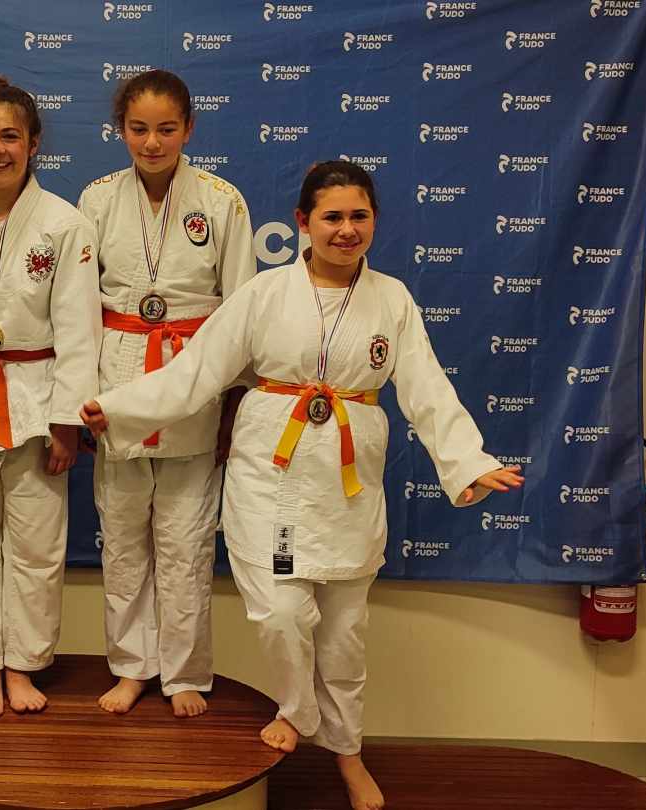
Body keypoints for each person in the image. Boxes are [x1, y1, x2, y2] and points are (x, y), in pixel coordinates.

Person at [82, 162, 524, 810]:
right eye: (331, 217)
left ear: (374, 220)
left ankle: (348, 755)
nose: (346, 230)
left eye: (358, 216)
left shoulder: (392, 299)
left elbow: (428, 389)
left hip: (347, 488)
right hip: (274, 482)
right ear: (302, 223)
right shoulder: (264, 294)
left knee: (344, 634)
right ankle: (298, 710)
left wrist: (467, 460)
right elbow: (198, 370)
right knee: (283, 611)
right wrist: (120, 407)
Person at [76, 69, 257, 718]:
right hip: (119, 384)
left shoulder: (223, 202)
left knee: (186, 544)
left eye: (166, 129)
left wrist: (232, 406)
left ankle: (183, 674)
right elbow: (77, 310)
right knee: (123, 542)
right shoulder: (97, 200)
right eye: (138, 129)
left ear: (189, 129)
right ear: (120, 130)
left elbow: (240, 315)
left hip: (194, 385)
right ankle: (131, 667)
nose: (152, 142)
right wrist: (81, 400)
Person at [0, 75, 102, 717]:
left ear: (34, 144)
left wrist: (67, 422)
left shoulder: (65, 223)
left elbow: (79, 329)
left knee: (36, 546)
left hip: (36, 400)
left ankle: (23, 665)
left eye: (10, 136)